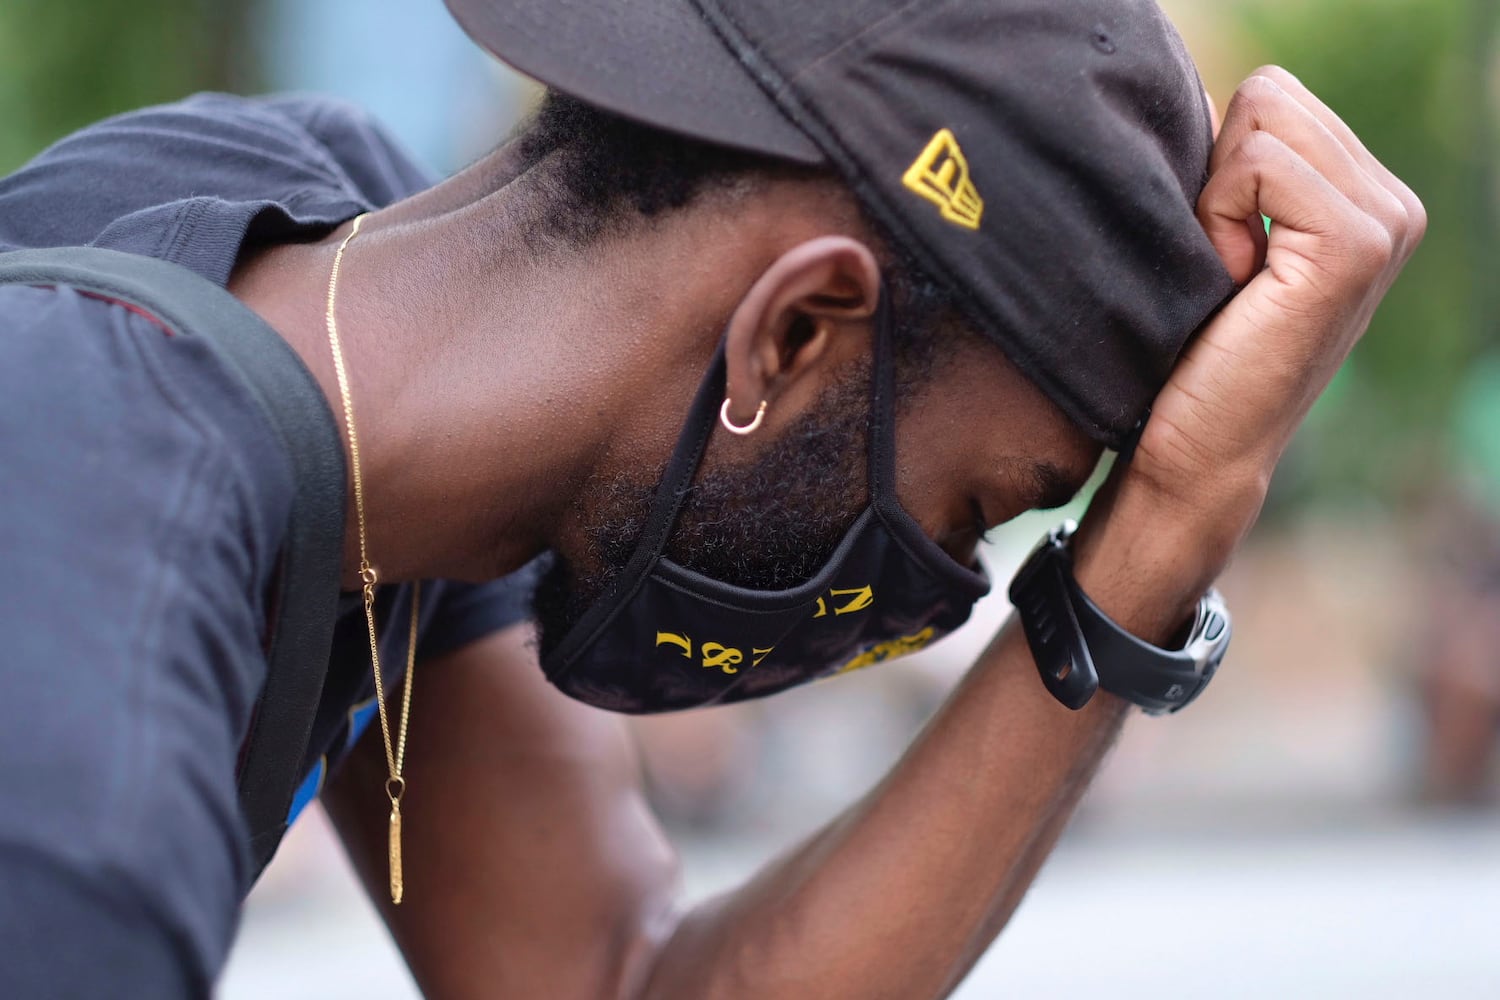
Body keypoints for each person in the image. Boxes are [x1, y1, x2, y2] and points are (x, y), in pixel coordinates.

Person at [0, 0, 1422, 996]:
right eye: (982, 505)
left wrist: (1172, 519)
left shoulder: (288, 231)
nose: (942, 582)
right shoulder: (80, 810)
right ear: (794, 334)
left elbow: (606, 981)